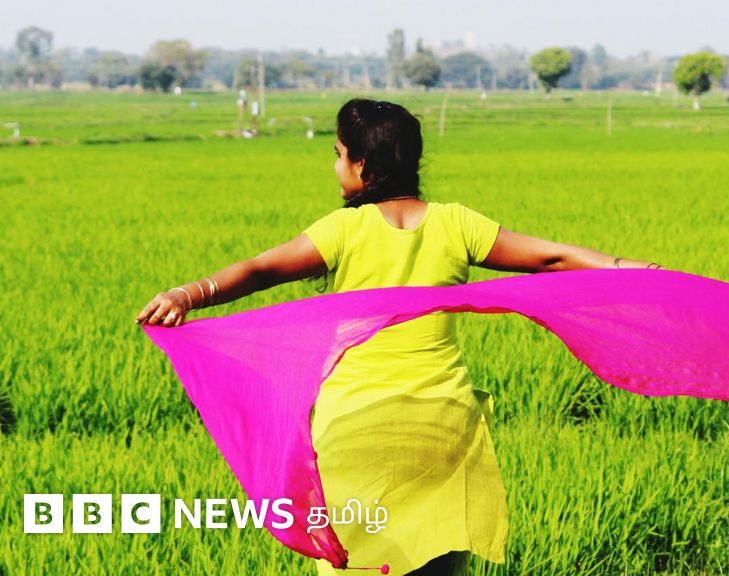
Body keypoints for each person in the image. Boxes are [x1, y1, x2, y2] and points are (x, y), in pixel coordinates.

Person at [134, 98, 662, 576]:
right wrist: (629, 269)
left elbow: (259, 269)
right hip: (442, 420)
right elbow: (553, 258)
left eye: (340, 154)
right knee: (435, 557)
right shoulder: (455, 224)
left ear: (363, 165)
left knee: (359, 559)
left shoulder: (345, 229)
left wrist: (189, 294)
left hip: (354, 425)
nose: (336, 166)